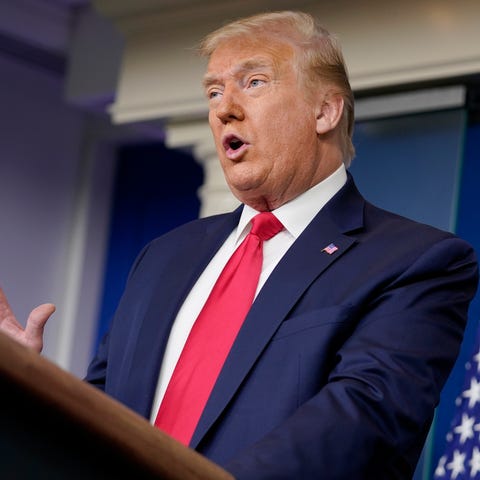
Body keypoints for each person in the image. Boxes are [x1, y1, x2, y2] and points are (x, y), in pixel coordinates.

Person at [1, 10, 478, 479]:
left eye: (254, 82)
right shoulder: (164, 256)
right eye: (213, 91)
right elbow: (103, 416)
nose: (223, 107)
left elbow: (360, 424)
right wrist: (23, 384)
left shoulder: (416, 261)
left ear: (325, 111)